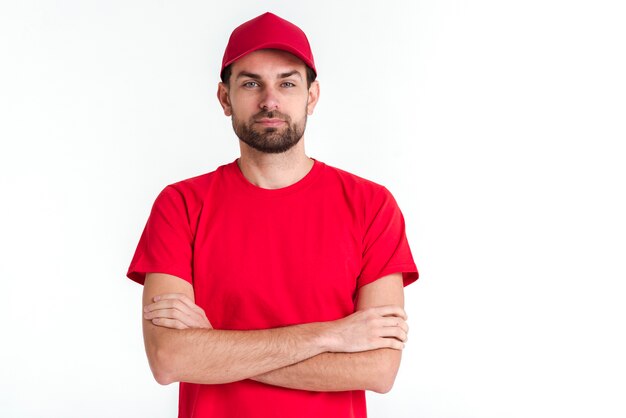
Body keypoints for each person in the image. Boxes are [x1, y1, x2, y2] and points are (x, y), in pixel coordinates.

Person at [127, 11, 419, 418]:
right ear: (225, 98)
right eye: (251, 83)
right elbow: (170, 358)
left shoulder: (371, 206)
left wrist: (215, 347)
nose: (270, 100)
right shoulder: (181, 205)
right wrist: (333, 335)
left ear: (311, 97)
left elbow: (378, 368)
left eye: (287, 82)